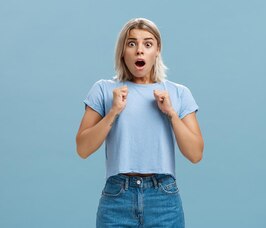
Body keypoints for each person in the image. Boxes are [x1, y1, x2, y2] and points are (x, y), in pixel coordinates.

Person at [75, 18, 204, 228]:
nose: (139, 51)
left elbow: (195, 154)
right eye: (132, 43)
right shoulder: (104, 90)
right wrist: (113, 112)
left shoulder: (178, 93)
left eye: (148, 44)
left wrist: (170, 113)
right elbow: (83, 148)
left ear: (157, 50)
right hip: (117, 197)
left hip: (164, 199)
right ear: (123, 51)